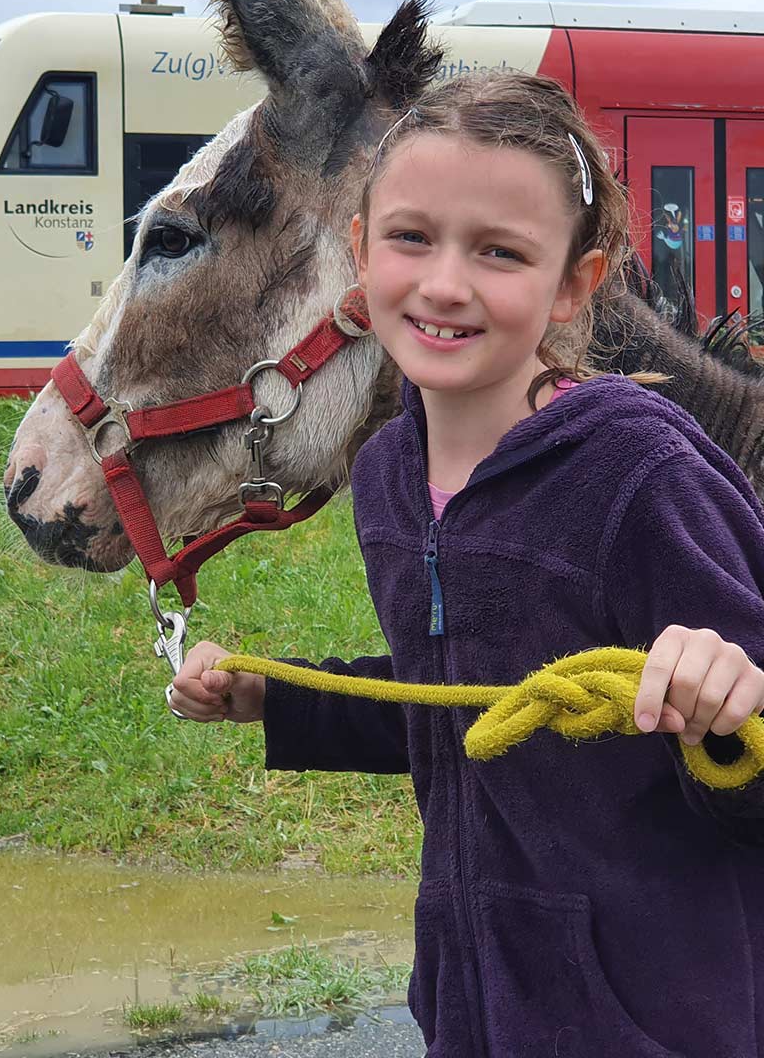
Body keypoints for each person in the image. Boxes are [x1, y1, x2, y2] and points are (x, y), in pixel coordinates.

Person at [168, 71, 764, 1057]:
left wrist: (733, 701)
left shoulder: (639, 473)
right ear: (359, 254)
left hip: (661, 1018)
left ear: (576, 282)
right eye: (412, 238)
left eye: (499, 251)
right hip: (472, 1008)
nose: (445, 283)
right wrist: (279, 697)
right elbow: (460, 702)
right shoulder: (392, 476)